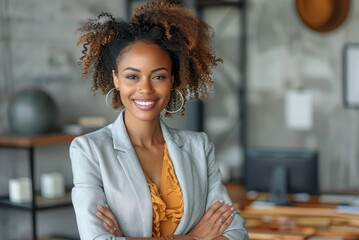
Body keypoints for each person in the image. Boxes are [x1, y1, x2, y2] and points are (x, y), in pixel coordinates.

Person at [70, 1, 248, 240]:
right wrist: (193, 237)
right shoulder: (89, 151)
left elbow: (236, 232)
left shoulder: (199, 147)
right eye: (132, 76)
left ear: (173, 80)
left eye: (159, 76)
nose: (145, 89)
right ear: (116, 80)